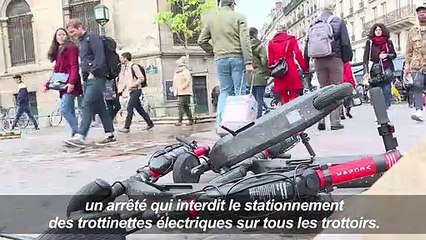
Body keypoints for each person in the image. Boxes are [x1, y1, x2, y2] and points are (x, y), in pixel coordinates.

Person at [198, 0, 254, 135]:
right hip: (237, 58)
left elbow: (201, 41)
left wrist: (214, 51)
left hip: (220, 59)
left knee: (225, 91)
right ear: (232, 4)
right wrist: (249, 61)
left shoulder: (211, 19)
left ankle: (221, 124)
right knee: (239, 90)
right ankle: (239, 124)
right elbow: (245, 40)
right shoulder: (239, 17)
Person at [64, 19, 116, 147]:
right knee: (99, 106)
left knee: (86, 104)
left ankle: (81, 135)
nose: (71, 35)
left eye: (72, 31)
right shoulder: (82, 42)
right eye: (70, 33)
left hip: (97, 76)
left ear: (79, 27)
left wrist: (94, 72)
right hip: (88, 78)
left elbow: (100, 57)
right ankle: (109, 133)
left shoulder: (92, 38)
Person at [304, 1, 353, 131]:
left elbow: (307, 45)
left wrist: (306, 62)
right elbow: (345, 42)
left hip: (318, 60)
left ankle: (321, 120)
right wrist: (346, 59)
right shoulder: (338, 22)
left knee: (322, 90)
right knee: (335, 90)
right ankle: (335, 121)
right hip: (335, 58)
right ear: (333, 9)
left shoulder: (314, 24)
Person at [45, 28, 83, 137]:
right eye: (59, 35)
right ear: (55, 38)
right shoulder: (59, 50)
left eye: (63, 34)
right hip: (62, 84)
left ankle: (78, 132)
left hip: (70, 83)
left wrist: (71, 83)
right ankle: (75, 134)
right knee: (69, 110)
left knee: (65, 109)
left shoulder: (71, 48)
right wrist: (48, 84)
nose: (61, 37)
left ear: (67, 36)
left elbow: (74, 65)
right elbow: (56, 70)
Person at [268, 24, 308, 104]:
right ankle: (294, 112)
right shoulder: (291, 39)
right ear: (285, 31)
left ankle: (286, 112)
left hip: (279, 71)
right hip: (290, 68)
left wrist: (272, 73)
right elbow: (298, 54)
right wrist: (304, 68)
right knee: (294, 93)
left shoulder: (271, 43)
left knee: (283, 95)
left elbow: (270, 61)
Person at [363, 23, 396, 110]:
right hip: (375, 69)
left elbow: (394, 55)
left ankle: (385, 110)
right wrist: (366, 72)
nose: (378, 32)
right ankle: (379, 111)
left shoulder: (388, 42)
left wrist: (386, 55)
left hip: (387, 69)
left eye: (380, 30)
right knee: (377, 91)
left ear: (383, 31)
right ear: (373, 32)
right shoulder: (370, 43)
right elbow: (365, 58)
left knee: (386, 90)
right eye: (376, 30)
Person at [117, 52, 154, 132]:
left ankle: (126, 127)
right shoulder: (125, 68)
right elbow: (125, 81)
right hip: (131, 91)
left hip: (136, 90)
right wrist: (121, 90)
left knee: (130, 107)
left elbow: (141, 78)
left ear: (125, 58)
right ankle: (150, 123)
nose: (120, 59)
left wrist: (133, 85)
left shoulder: (134, 66)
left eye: (121, 58)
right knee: (139, 109)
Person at [405, 5, 426, 121]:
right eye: (420, 13)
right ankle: (418, 110)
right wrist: (407, 66)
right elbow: (408, 50)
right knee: (417, 87)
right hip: (416, 66)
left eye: (424, 12)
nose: (422, 14)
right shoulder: (412, 31)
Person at [249, 27, 269, 118]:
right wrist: (267, 71)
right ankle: (259, 117)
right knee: (260, 97)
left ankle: (266, 108)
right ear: (255, 34)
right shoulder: (260, 46)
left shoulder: (245, 47)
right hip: (260, 74)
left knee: (256, 97)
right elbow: (264, 60)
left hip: (250, 75)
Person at [172, 56, 194, 126]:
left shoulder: (186, 71)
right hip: (179, 92)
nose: (178, 66)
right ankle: (190, 120)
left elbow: (188, 80)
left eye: (179, 65)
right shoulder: (176, 72)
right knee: (185, 107)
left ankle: (180, 120)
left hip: (185, 92)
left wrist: (182, 87)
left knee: (181, 105)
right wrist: (175, 90)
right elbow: (175, 82)